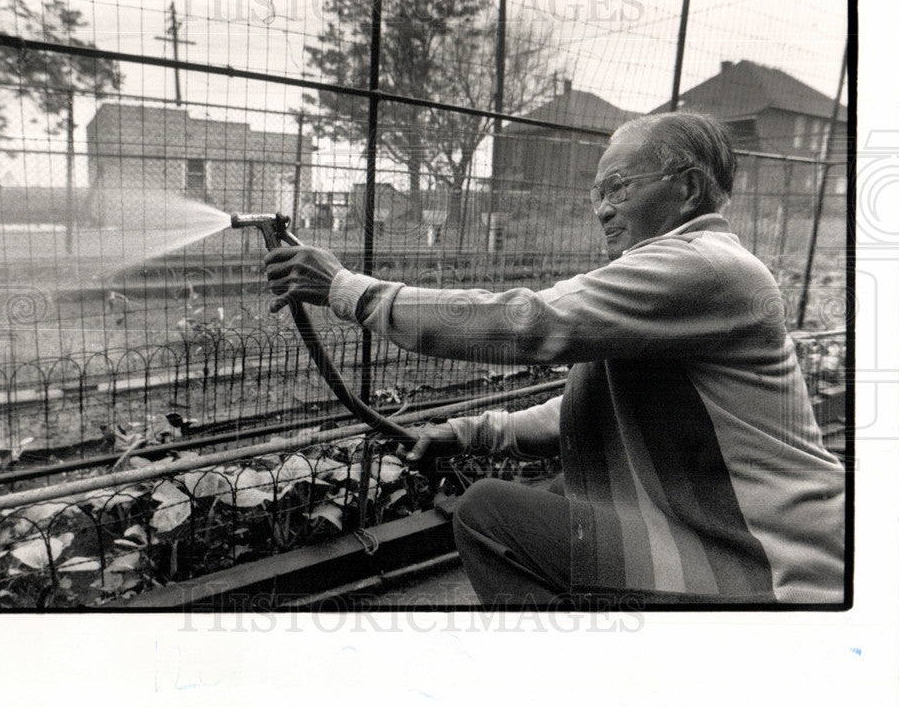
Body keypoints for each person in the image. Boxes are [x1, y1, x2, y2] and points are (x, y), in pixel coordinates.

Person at [264, 112, 845, 606]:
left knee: (488, 514)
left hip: (770, 561)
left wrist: (348, 290)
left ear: (688, 188)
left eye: (618, 187)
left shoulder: (701, 267)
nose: (602, 210)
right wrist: (469, 433)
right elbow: (585, 407)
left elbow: (528, 323)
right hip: (729, 524)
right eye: (598, 193)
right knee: (568, 491)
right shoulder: (688, 272)